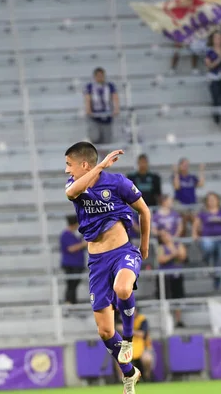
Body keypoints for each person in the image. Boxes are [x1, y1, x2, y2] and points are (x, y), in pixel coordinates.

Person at [64, 142, 150, 392]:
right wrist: (100, 165)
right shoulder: (74, 187)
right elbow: (71, 194)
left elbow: (144, 211)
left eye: (69, 165)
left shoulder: (117, 183)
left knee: (123, 289)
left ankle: (129, 340)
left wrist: (144, 246)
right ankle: (129, 373)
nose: (67, 170)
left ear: (83, 164)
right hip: (97, 262)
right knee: (104, 331)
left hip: (123, 252)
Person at [192, 192, 221, 290]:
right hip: (208, 238)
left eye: (214, 199)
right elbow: (195, 224)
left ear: (218, 200)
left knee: (220, 253)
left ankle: (217, 276)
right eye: (210, 200)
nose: (212, 201)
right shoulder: (203, 212)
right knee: (208, 246)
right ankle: (207, 261)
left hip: (220, 239)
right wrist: (195, 234)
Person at [155, 230, 188, 327]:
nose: (166, 237)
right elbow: (161, 259)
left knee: (178, 297)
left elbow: (183, 256)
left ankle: (178, 320)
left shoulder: (178, 244)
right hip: (165, 277)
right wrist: (173, 254)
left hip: (177, 275)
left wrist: (171, 255)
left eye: (166, 234)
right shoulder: (161, 247)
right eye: (163, 236)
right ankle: (167, 320)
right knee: (166, 297)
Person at [115, 308, 154, 382]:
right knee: (118, 359)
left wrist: (128, 331)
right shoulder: (123, 319)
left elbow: (143, 334)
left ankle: (147, 377)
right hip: (127, 346)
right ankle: (123, 380)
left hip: (142, 346)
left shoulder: (142, 320)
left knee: (147, 358)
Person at [84, 67, 120, 144]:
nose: (100, 78)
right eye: (98, 76)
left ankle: (103, 154)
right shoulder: (90, 86)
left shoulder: (109, 85)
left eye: (102, 75)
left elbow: (115, 97)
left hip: (107, 116)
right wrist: (88, 109)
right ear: (95, 76)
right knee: (95, 137)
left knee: (107, 140)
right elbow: (88, 98)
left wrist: (116, 109)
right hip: (95, 116)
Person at [204, 32, 221, 125]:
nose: (218, 40)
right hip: (214, 78)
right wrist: (219, 59)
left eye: (220, 38)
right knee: (215, 98)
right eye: (216, 38)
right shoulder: (209, 52)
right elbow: (209, 66)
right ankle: (216, 118)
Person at [173, 159, 205, 235]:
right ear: (179, 166)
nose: (185, 167)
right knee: (183, 220)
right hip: (181, 204)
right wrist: (176, 172)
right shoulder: (177, 177)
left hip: (192, 204)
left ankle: (197, 238)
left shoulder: (191, 177)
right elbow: (177, 186)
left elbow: (201, 184)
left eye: (187, 165)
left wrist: (201, 171)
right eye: (183, 165)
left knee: (197, 221)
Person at [60, 215, 87, 304]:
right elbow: (70, 248)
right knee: (71, 285)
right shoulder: (66, 235)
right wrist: (83, 244)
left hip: (77, 263)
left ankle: (73, 302)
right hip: (71, 264)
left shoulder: (75, 235)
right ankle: (69, 302)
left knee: (74, 285)